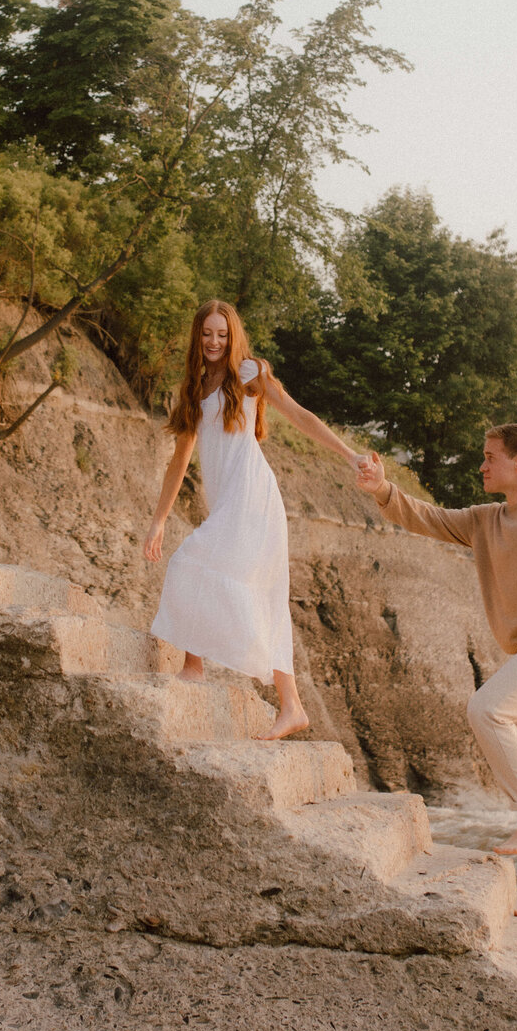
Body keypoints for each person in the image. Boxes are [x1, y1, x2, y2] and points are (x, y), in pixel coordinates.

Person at [357, 424, 517, 921]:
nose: (482, 466)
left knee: (486, 708)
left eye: (490, 457)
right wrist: (382, 489)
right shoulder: (485, 519)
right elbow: (426, 517)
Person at [146, 299, 370, 741]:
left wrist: (350, 455)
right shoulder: (193, 386)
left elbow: (299, 414)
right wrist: (158, 520)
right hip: (230, 501)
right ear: (198, 336)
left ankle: (194, 667)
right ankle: (293, 707)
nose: (214, 342)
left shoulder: (248, 375)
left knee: (192, 561)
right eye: (207, 334)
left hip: (253, 497)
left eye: (222, 335)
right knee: (249, 590)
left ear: (233, 339)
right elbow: (179, 460)